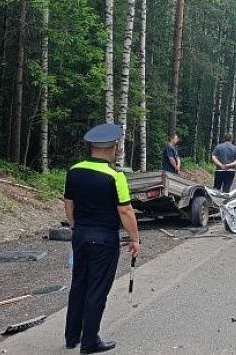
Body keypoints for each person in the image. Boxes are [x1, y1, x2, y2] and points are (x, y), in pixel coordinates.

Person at [63, 123, 140, 354]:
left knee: (79, 285)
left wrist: (77, 226)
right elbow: (125, 211)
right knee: (97, 289)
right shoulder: (115, 176)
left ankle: (72, 336)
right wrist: (135, 238)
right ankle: (90, 343)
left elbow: (68, 203)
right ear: (113, 148)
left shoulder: (74, 171)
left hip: (80, 236)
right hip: (104, 239)